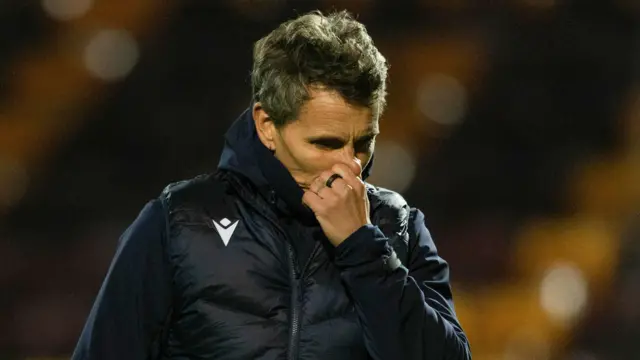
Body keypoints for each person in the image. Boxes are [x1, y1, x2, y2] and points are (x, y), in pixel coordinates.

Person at [72, 10, 471, 360]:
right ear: (267, 126)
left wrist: (363, 250)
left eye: (363, 143)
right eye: (325, 143)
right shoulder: (179, 223)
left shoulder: (397, 228)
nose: (349, 163)